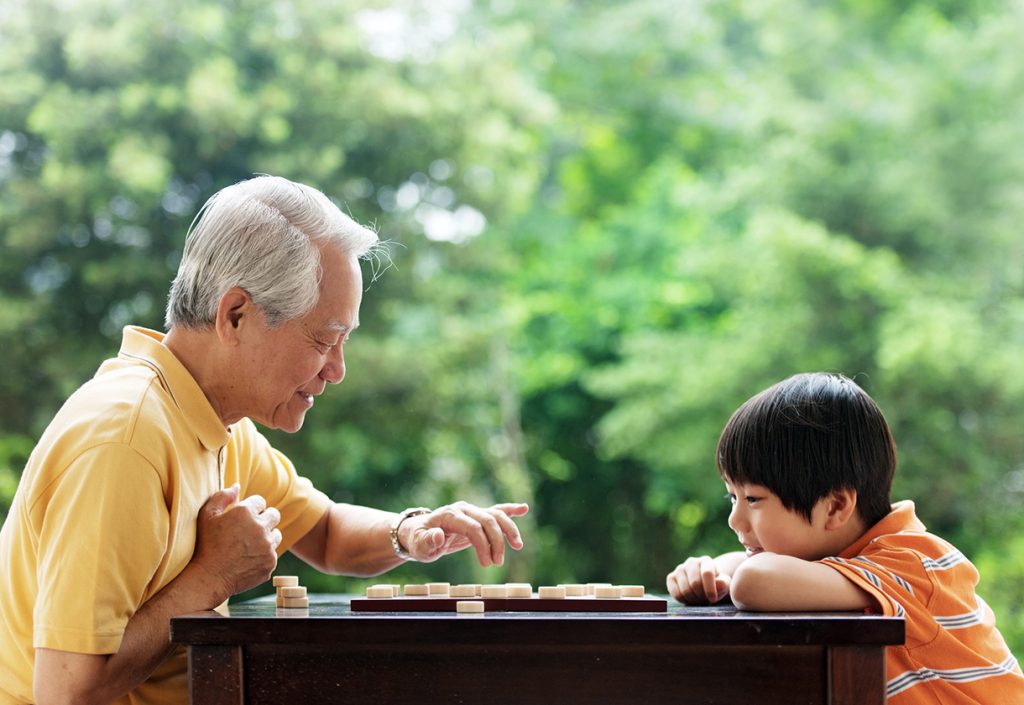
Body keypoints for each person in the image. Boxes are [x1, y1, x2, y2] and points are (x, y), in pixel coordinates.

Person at [0, 175, 529, 705]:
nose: (337, 371)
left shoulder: (216, 421)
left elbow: (323, 531)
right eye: (325, 339)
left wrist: (409, 530)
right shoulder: (125, 440)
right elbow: (66, 693)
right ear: (236, 315)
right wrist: (210, 578)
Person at [665, 372, 1023, 703]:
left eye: (754, 499)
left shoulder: (914, 563)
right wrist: (713, 574)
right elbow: (746, 571)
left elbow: (752, 580)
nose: (734, 519)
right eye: (733, 497)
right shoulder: (848, 563)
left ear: (835, 506)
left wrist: (730, 574)